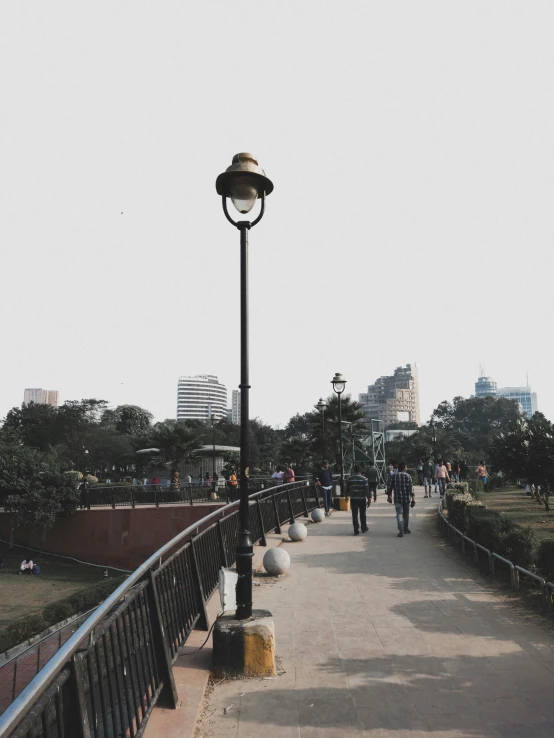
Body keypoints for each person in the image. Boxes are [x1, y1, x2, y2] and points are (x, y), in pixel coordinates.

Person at [387, 462, 415, 537]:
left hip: (397, 499)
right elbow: (411, 489)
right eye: (406, 467)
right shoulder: (408, 476)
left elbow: (389, 487)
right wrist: (413, 499)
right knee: (406, 515)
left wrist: (389, 496)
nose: (407, 468)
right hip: (406, 499)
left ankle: (401, 530)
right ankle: (405, 528)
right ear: (403, 468)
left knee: (399, 514)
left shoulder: (394, 476)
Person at [346, 465, 370, 535]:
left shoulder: (350, 479)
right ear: (360, 471)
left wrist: (346, 496)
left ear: (354, 470)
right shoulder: (364, 479)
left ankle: (356, 529)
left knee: (354, 514)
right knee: (363, 514)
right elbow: (366, 490)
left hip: (353, 499)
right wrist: (368, 499)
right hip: (362, 499)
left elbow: (347, 489)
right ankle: (363, 527)